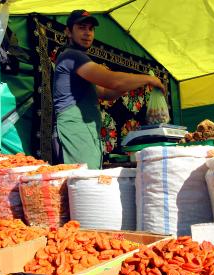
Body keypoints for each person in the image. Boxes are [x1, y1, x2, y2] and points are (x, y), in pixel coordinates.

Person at [52, 10, 166, 169]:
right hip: (75, 133)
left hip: (85, 134)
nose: (87, 33)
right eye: (82, 27)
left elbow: (106, 94)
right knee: (82, 187)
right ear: (68, 32)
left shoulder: (77, 61)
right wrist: (148, 78)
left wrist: (134, 84)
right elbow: (113, 81)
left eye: (91, 29)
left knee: (86, 186)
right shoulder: (72, 57)